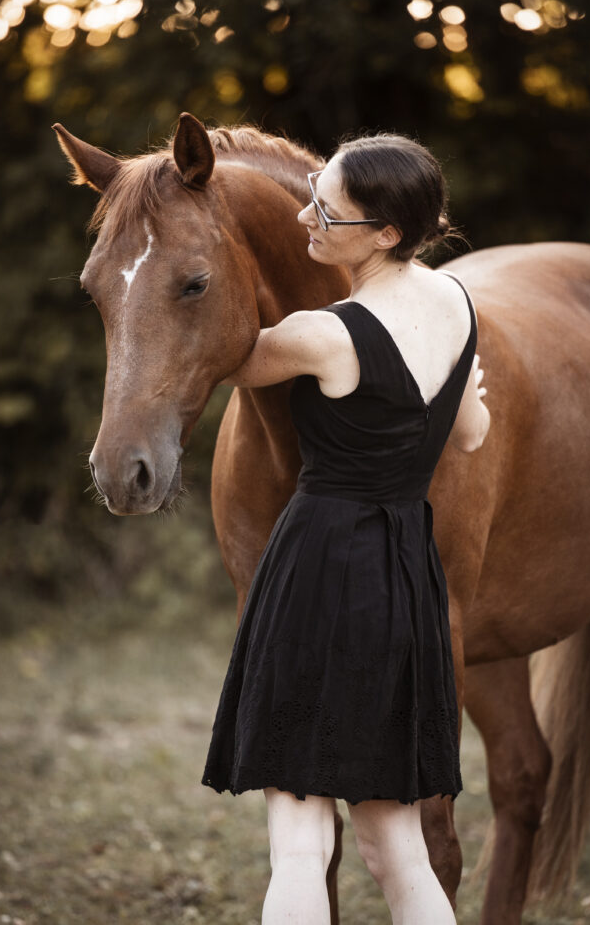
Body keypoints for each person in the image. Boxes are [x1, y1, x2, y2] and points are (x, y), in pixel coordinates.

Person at [201, 131, 490, 925]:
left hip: (319, 572)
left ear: (387, 232)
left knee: (299, 840)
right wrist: (475, 384)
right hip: (405, 576)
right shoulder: (457, 303)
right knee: (395, 849)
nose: (305, 217)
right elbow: (468, 433)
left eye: (326, 210)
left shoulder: (322, 334)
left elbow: (219, 356)